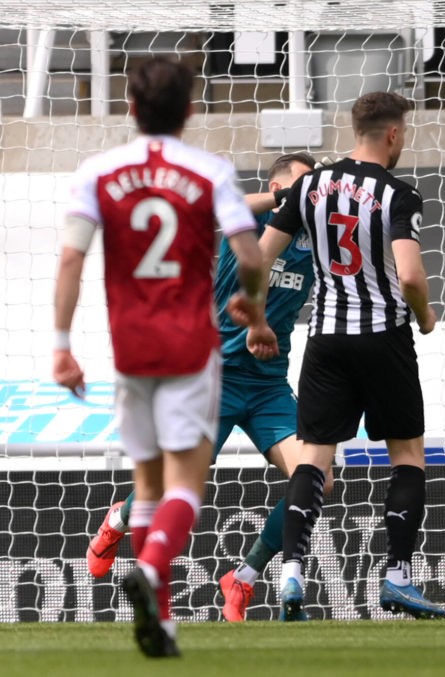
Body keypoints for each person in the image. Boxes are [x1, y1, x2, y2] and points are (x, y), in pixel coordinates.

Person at [53, 57, 274, 657]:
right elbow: (251, 259)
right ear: (190, 110)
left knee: (144, 487)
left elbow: (71, 259)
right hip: (190, 348)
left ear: (129, 107)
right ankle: (152, 573)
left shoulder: (98, 172)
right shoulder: (210, 171)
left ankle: (164, 623)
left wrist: (62, 347)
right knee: (184, 488)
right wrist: (253, 308)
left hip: (130, 350)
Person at [84, 152, 320, 624]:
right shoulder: (246, 226)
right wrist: (280, 198)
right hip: (215, 379)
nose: (307, 195)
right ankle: (116, 521)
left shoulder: (316, 246)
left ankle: (245, 577)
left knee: (316, 479)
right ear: (276, 187)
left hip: (270, 386)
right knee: (177, 486)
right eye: (299, 185)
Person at [259, 91, 445, 621]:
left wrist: (254, 309)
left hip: (325, 339)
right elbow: (409, 274)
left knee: (315, 456)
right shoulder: (398, 193)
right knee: (406, 455)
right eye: (403, 133)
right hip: (383, 335)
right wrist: (427, 317)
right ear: (392, 134)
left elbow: (263, 254)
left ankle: (292, 570)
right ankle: (396, 577)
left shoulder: (309, 185)